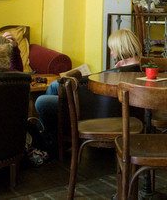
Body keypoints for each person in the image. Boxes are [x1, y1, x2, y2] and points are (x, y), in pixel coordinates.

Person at [33, 29, 143, 157]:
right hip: (96, 103)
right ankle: (48, 141)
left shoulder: (117, 73)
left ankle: (48, 143)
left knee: (41, 101)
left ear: (120, 49)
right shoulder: (138, 68)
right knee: (53, 87)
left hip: (90, 108)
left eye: (112, 49)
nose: (111, 52)